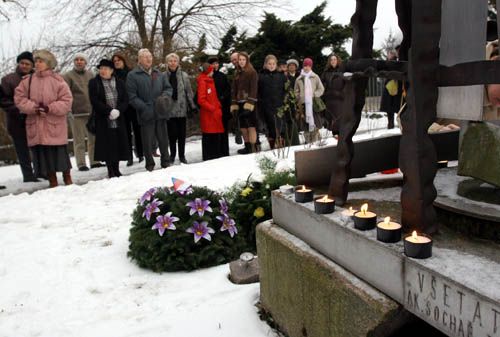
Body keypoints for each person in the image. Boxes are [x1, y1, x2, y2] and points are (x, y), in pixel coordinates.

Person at [14, 50, 73, 188]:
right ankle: (52, 179)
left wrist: (49, 108)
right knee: (44, 154)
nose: (38, 64)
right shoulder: (27, 81)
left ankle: (67, 176)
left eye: (41, 61)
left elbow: (67, 101)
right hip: (37, 124)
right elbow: (19, 98)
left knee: (60, 153)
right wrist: (33, 107)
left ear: (49, 64)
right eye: (37, 61)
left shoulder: (58, 81)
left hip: (54, 124)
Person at [126, 48, 173, 171]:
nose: (149, 59)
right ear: (139, 60)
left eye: (150, 56)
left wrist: (164, 97)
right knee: (147, 141)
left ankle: (166, 162)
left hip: (160, 111)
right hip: (145, 113)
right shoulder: (132, 75)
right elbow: (132, 97)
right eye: (145, 57)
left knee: (163, 139)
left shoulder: (159, 73)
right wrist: (144, 108)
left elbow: (168, 88)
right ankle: (150, 165)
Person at [0, 51, 38, 182]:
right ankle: (28, 175)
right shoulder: (7, 80)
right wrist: (20, 109)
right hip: (16, 120)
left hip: (35, 119)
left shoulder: (37, 78)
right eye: (22, 63)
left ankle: (41, 172)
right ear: (18, 63)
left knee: (37, 148)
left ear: (32, 65)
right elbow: (4, 100)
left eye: (27, 64)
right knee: (22, 150)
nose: (24, 66)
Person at [88, 59, 129, 178]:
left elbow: (125, 99)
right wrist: (108, 111)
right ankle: (110, 169)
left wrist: (119, 110)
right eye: (101, 68)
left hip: (118, 117)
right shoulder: (94, 82)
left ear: (111, 70)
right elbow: (94, 100)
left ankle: (116, 169)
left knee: (117, 142)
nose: (103, 71)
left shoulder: (120, 82)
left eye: (105, 69)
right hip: (103, 118)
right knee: (107, 144)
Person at [63, 53, 100, 171]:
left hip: (91, 112)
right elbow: (65, 94)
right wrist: (68, 110)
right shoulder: (67, 76)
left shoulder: (91, 75)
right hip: (76, 113)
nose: (79, 62)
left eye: (81, 60)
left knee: (93, 138)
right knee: (78, 140)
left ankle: (95, 161)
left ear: (85, 62)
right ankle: (81, 163)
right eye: (77, 60)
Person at [112, 53, 143, 166]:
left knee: (137, 131)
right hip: (121, 108)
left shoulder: (131, 72)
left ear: (123, 61)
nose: (117, 62)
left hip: (133, 106)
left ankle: (140, 154)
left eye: (119, 60)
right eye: (115, 61)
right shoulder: (112, 76)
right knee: (125, 133)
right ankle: (129, 156)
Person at [164, 53, 196, 164]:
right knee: (172, 135)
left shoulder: (184, 75)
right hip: (169, 110)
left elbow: (189, 92)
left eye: (175, 61)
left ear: (178, 62)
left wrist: (192, 106)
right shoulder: (163, 76)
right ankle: (172, 155)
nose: (173, 63)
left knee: (182, 135)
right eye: (170, 61)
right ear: (167, 63)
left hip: (182, 109)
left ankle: (182, 156)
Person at [231, 52, 258, 154]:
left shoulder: (252, 72)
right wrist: (234, 103)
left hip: (250, 103)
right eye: (240, 60)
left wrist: (250, 103)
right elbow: (234, 89)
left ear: (246, 60)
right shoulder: (237, 73)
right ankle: (247, 146)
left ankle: (253, 146)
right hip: (239, 102)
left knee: (251, 125)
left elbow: (254, 88)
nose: (241, 62)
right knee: (243, 127)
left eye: (243, 60)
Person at [197, 63, 225, 160]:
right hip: (208, 114)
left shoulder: (209, 81)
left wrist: (218, 105)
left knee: (214, 135)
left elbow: (213, 96)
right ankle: (209, 157)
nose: (213, 72)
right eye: (212, 70)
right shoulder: (203, 82)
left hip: (214, 113)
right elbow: (201, 100)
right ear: (208, 71)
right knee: (209, 135)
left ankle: (214, 155)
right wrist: (212, 108)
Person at [258, 54, 287, 149]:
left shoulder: (281, 76)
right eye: (269, 64)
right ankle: (272, 147)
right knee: (270, 128)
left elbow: (287, 91)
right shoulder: (261, 76)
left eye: (273, 64)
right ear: (265, 64)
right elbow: (258, 92)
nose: (271, 65)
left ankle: (281, 147)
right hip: (266, 107)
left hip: (279, 107)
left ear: (276, 64)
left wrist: (285, 103)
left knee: (280, 128)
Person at [208, 56, 231, 156]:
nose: (215, 65)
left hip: (223, 107)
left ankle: (224, 151)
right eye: (213, 64)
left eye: (216, 63)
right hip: (211, 107)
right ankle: (215, 152)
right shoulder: (207, 77)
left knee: (223, 130)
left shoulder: (222, 76)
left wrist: (222, 97)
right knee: (214, 131)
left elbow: (228, 90)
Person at [295, 58, 324, 132]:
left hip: (313, 103)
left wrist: (314, 95)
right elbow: (296, 91)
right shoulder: (299, 79)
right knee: (305, 125)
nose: (306, 67)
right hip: (303, 104)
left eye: (308, 66)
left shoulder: (315, 77)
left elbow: (321, 89)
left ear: (311, 67)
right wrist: (299, 98)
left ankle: (317, 140)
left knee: (316, 123)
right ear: (303, 66)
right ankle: (308, 140)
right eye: (305, 65)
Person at [321, 54, 345, 136]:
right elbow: (322, 84)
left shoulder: (342, 71)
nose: (333, 61)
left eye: (334, 59)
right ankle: (335, 135)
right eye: (331, 60)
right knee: (332, 118)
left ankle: (341, 135)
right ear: (329, 62)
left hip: (340, 98)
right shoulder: (326, 72)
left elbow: (346, 83)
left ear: (337, 60)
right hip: (330, 99)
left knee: (340, 117)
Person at [379, 49, 402, 129]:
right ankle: (392, 124)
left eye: (389, 54)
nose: (388, 55)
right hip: (391, 87)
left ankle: (393, 124)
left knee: (394, 108)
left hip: (393, 87)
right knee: (392, 108)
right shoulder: (389, 62)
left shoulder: (394, 62)